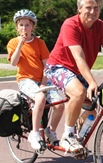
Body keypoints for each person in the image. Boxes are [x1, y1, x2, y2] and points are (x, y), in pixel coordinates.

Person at [44, 0, 103, 154]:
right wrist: (92, 82)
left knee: (93, 108)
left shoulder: (102, 27)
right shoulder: (70, 25)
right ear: (79, 9)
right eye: (88, 7)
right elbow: (79, 57)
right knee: (79, 91)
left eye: (96, 8)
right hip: (58, 67)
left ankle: (77, 137)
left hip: (77, 71)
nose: (92, 11)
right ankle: (67, 135)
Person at [7, 9, 64, 150]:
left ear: (33, 27)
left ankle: (50, 131)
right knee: (40, 98)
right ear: (17, 27)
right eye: (21, 25)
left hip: (42, 80)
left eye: (27, 25)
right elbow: (14, 63)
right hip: (25, 80)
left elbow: (47, 66)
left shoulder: (39, 43)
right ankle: (35, 133)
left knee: (60, 104)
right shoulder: (13, 43)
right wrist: (21, 43)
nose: (24, 28)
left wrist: (44, 83)